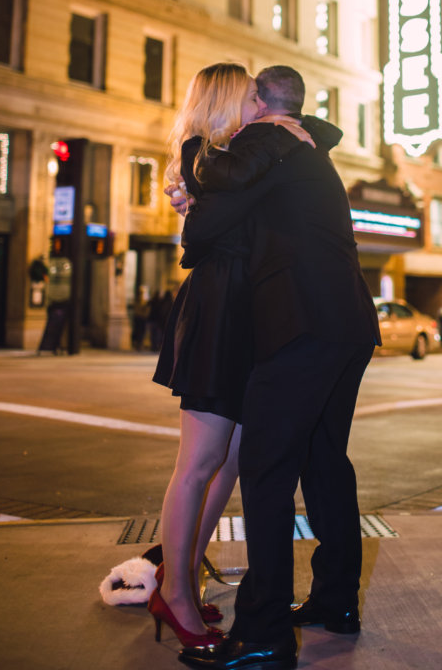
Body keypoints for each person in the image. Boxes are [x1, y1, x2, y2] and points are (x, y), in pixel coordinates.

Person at [175, 65, 381, 670]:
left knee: (265, 469)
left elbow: (204, 231)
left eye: (246, 98)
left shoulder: (268, 138)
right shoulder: (304, 145)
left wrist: (192, 160)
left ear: (261, 104)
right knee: (324, 461)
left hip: (302, 324)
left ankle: (263, 632)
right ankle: (336, 601)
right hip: (347, 320)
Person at [151, 63, 312, 648]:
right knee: (199, 461)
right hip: (218, 309)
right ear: (224, 103)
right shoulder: (206, 157)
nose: (260, 106)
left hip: (248, 312)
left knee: (232, 459)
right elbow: (202, 232)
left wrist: (282, 137)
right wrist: (280, 140)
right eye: (250, 97)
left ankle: (182, 578)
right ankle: (174, 596)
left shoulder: (237, 156)